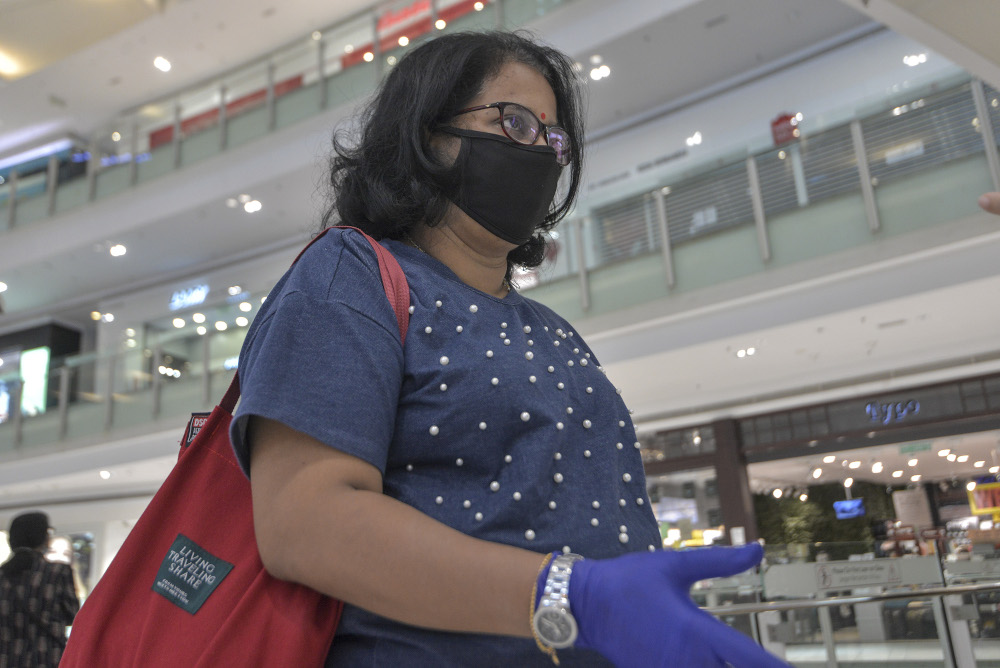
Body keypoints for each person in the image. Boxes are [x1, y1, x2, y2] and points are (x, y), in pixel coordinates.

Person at [230, 30, 789, 667]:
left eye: (554, 140)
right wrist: (576, 598)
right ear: (425, 131)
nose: (542, 154)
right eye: (516, 123)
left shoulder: (550, 327)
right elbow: (305, 523)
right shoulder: (351, 275)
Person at [0, 512, 79, 668]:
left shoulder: (2, 576)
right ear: (44, 538)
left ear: (12, 540)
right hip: (47, 658)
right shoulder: (57, 572)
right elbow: (73, 615)